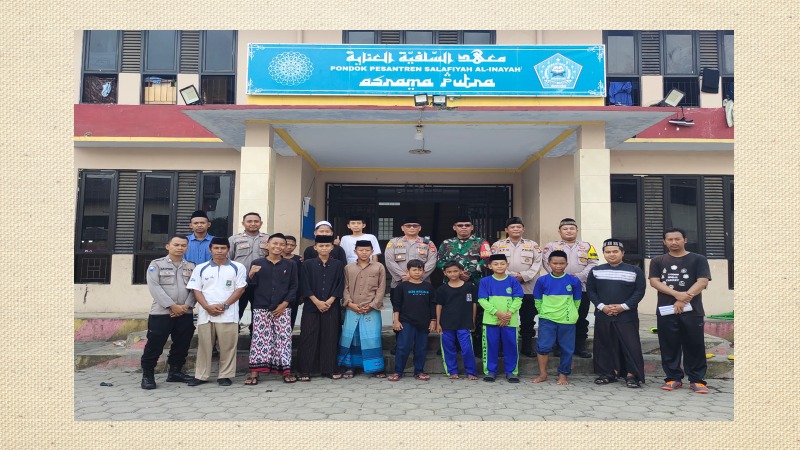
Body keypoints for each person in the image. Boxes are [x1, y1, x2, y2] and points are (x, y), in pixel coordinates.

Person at [648, 228, 712, 394]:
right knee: (669, 344)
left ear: (685, 240)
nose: (674, 242)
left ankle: (697, 380)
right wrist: (676, 295)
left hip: (692, 311)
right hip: (666, 310)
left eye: (677, 239)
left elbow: (702, 281)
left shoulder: (698, 259)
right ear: (664, 242)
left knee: (694, 344)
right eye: (670, 239)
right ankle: (673, 378)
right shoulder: (657, 261)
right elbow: (654, 282)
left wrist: (683, 299)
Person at [185, 237, 248, 386]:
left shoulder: (238, 267)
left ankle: (225, 375)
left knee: (228, 347)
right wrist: (207, 307)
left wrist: (224, 306)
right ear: (210, 249)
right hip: (205, 314)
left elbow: (240, 289)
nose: (219, 251)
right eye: (216, 248)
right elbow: (196, 290)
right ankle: (201, 375)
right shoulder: (201, 268)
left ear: (228, 250)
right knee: (204, 346)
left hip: (228, 314)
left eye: (223, 248)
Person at [586, 239, 646, 388]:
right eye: (608, 252)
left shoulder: (635, 271)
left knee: (630, 346)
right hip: (603, 314)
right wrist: (602, 307)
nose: (611, 254)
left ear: (622, 253)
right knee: (604, 344)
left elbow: (639, 291)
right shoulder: (596, 271)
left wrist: (623, 307)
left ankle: (632, 375)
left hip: (627, 315)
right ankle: (608, 373)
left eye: (615, 251)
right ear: (603, 254)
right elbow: (591, 291)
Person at [140, 234, 196, 389]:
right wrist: (172, 306)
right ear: (168, 246)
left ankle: (175, 372)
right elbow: (154, 287)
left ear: (187, 247)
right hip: (161, 312)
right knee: (155, 344)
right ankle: (148, 375)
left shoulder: (192, 266)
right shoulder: (156, 264)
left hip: (185, 312)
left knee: (182, 344)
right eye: (176, 245)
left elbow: (195, 288)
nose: (180, 248)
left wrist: (186, 306)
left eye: (183, 245)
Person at [244, 233, 298, 385]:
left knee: (283, 340)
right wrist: (250, 275)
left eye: (282, 244)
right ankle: (254, 373)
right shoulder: (257, 263)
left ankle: (285, 372)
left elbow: (294, 286)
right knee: (259, 340)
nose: (278, 247)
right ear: (267, 245)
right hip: (261, 307)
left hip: (283, 308)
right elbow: (250, 287)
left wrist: (285, 303)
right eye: (275, 243)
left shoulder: (290, 264)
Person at [542, 218, 598, 358]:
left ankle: (580, 347)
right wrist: (563, 278)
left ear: (577, 230)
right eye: (565, 229)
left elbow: (593, 263)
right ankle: (559, 347)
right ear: (559, 231)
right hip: (559, 290)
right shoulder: (552, 246)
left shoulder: (587, 246)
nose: (569, 231)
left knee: (581, 318)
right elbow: (547, 263)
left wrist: (579, 277)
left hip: (581, 287)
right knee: (559, 318)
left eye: (572, 228)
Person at [437, 215, 491, 355]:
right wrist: (457, 274)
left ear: (472, 227)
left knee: (476, 314)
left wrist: (470, 273)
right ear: (454, 227)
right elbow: (440, 262)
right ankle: (451, 345)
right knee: (450, 312)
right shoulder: (446, 243)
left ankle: (476, 346)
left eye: (467, 225)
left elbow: (486, 260)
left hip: (473, 284)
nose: (464, 228)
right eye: (460, 225)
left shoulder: (481, 242)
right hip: (451, 286)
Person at [491, 217, 543, 357]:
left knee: (528, 319)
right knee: (504, 318)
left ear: (523, 229)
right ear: (506, 230)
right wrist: (511, 277)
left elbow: (537, 263)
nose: (516, 229)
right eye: (512, 227)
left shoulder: (532, 245)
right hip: (505, 287)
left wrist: (524, 276)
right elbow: (495, 263)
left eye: (518, 227)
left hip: (528, 287)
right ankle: (503, 348)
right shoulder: (498, 245)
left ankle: (527, 347)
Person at [296, 234, 345, 381]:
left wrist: (330, 300)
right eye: (321, 246)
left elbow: (340, 284)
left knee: (330, 336)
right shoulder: (307, 264)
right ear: (315, 247)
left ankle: (329, 369)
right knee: (308, 336)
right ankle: (305, 370)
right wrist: (316, 301)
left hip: (332, 306)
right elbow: (304, 284)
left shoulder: (338, 265)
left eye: (327, 245)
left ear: (332, 247)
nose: (324, 248)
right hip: (311, 305)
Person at [531, 250, 582, 386]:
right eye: (555, 263)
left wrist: (572, 313)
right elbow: (537, 300)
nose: (558, 266)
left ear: (566, 264)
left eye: (561, 263)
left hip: (567, 320)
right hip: (547, 319)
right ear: (548, 264)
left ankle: (563, 375)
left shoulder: (573, 281)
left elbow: (577, 301)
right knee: (543, 347)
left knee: (567, 348)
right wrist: (543, 312)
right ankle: (543, 374)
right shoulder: (542, 280)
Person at [338, 240, 387, 378]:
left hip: (372, 308)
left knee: (372, 338)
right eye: (361, 250)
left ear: (372, 251)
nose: (364, 253)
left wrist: (372, 305)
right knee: (352, 338)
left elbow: (381, 288)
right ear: (355, 251)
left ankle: (376, 368)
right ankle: (350, 366)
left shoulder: (379, 267)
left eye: (367, 250)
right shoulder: (348, 268)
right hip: (352, 308)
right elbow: (345, 288)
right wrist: (350, 304)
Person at [478, 254, 524, 383]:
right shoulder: (485, 281)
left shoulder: (513, 281)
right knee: (491, 345)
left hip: (510, 320)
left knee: (511, 346)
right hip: (491, 320)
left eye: (502, 264)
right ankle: (490, 371)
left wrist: (509, 313)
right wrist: (497, 313)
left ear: (507, 265)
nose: (499, 266)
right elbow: (482, 300)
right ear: (490, 266)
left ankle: (512, 372)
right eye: (496, 264)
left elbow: (518, 299)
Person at [388, 259, 436, 381]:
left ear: (424, 271)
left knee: (421, 348)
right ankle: (398, 371)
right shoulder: (401, 286)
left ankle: (419, 371)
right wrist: (396, 320)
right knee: (403, 347)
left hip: (423, 322)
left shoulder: (428, 287)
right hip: (406, 321)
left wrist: (433, 320)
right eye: (414, 270)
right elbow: (397, 305)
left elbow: (432, 305)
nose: (417, 272)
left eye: (420, 270)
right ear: (407, 271)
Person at [435, 261, 479, 381]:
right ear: (445, 273)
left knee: (467, 348)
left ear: (461, 271)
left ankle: (471, 372)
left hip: (464, 323)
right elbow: (439, 306)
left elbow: (474, 305)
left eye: (455, 271)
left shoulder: (470, 287)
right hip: (446, 323)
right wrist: (438, 323)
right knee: (448, 348)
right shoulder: (442, 289)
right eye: (449, 272)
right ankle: (452, 371)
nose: (453, 274)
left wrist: (472, 321)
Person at [228, 212, 269, 328]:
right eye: (249, 221)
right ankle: (233, 333)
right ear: (243, 223)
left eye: (256, 221)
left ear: (261, 223)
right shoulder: (234, 239)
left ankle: (255, 336)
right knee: (237, 310)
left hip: (262, 282)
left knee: (259, 312)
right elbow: (228, 260)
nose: (253, 224)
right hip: (240, 282)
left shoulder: (268, 239)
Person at [384, 216, 438, 289]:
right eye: (408, 226)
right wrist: (403, 276)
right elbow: (389, 261)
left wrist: (418, 276)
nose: (412, 228)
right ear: (402, 228)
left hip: (422, 283)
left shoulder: (428, 242)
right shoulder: (394, 242)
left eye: (415, 226)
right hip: (399, 283)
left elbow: (432, 261)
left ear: (420, 228)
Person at [283, 235, 304, 330]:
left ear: (295, 246)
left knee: (290, 322)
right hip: (276, 296)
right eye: (287, 244)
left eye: (292, 245)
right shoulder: (274, 258)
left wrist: (301, 295)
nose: (289, 247)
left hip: (293, 296)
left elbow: (301, 278)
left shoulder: (299, 260)